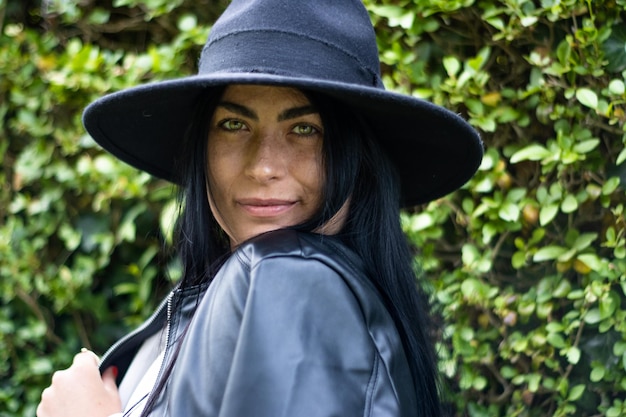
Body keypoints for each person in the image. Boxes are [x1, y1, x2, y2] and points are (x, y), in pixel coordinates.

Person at [37, 0, 483, 416]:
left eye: (305, 129)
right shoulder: (227, 294)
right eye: (234, 124)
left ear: (358, 156)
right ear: (202, 150)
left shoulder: (292, 277)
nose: (264, 166)